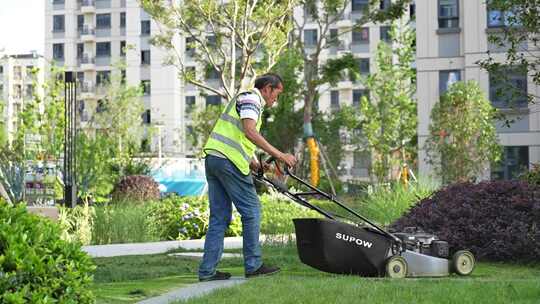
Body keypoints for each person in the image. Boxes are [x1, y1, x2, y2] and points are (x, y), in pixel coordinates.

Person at [198, 73, 297, 281]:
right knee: (252, 211)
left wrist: (265, 167)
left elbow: (242, 141)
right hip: (228, 162)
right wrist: (281, 155)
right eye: (276, 95)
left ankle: (207, 271)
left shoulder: (243, 99)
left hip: (214, 159)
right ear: (268, 88)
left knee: (219, 218)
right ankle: (253, 266)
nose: (275, 100)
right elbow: (250, 132)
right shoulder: (252, 98)